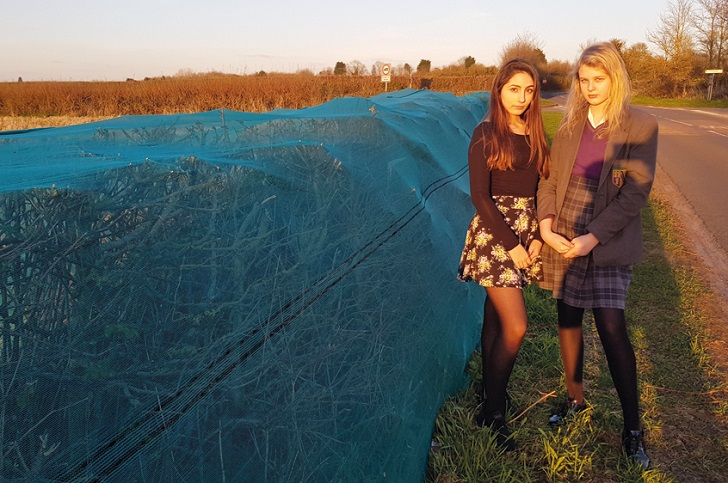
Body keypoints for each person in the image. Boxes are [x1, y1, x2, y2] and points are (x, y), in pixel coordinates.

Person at [537, 42, 658, 469]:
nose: (589, 88)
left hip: (606, 235)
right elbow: (549, 180)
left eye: (598, 80)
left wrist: (593, 237)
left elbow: (636, 194)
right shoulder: (569, 125)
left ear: (615, 78)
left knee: (610, 324)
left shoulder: (640, 126)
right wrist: (546, 223)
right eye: (583, 80)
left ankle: (632, 429)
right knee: (567, 316)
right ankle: (575, 400)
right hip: (565, 230)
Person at [458, 58, 550, 451]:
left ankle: (488, 395)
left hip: (527, 232)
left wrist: (537, 239)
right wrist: (512, 244)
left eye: (529, 90)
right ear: (499, 90)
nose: (522, 97)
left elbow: (543, 186)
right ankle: (493, 411)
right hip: (496, 235)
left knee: (496, 319)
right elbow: (480, 196)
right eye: (515, 89)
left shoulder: (535, 133)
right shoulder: (485, 133)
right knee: (517, 326)